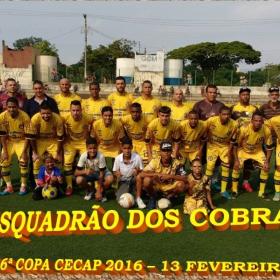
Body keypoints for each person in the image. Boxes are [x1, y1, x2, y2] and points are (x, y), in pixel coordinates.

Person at [232, 111, 273, 200]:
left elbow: (269, 148)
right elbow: (235, 146)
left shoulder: (266, 130)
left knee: (265, 168)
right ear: (251, 121)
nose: (258, 123)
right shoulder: (243, 129)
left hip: (257, 152)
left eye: (260, 121)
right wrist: (236, 160)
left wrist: (267, 162)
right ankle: (234, 190)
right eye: (256, 120)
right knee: (237, 166)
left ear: (262, 121)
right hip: (243, 151)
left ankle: (261, 192)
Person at [136, 141, 188, 209]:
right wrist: (156, 174)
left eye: (168, 150)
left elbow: (185, 178)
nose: (166, 152)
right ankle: (152, 197)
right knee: (146, 180)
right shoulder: (155, 161)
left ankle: (170, 196)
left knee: (181, 185)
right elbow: (141, 174)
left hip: (170, 185)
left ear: (171, 151)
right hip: (157, 184)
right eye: (164, 150)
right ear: (160, 151)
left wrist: (170, 176)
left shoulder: (176, 163)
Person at [193, 84, 224, 190]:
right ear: (206, 93)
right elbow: (194, 120)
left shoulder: (220, 105)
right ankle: (200, 179)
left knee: (215, 162)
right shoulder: (199, 105)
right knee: (201, 160)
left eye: (214, 92)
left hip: (216, 140)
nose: (212, 94)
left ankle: (214, 181)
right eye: (210, 92)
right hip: (202, 139)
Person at [205, 106, 238, 200]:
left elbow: (232, 140)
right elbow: (204, 129)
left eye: (228, 114)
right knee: (210, 166)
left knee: (226, 167)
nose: (226, 116)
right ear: (219, 114)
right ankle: (207, 188)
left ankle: (223, 191)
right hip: (212, 146)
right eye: (224, 114)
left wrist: (229, 151)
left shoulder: (234, 124)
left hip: (225, 147)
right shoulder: (211, 121)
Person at [62, 100, 94, 196]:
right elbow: (58, 124)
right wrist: (64, 134)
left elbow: (94, 122)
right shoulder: (65, 117)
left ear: (81, 110)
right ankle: (69, 185)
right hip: (70, 142)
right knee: (67, 162)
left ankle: (86, 182)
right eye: (73, 110)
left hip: (83, 142)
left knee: (88, 160)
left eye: (77, 110)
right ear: (70, 110)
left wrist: (90, 134)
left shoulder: (87, 117)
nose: (75, 113)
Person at [29, 101, 64, 188]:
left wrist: (59, 153)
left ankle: (58, 182)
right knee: (36, 160)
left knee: (58, 160)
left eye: (48, 113)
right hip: (40, 141)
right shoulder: (35, 119)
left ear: (51, 112)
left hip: (52, 141)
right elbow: (32, 137)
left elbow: (60, 138)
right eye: (43, 113)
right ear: (40, 112)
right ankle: (38, 184)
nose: (46, 115)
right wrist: (35, 152)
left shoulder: (57, 119)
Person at [0, 97, 30, 195]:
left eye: (14, 107)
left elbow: (28, 136)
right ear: (6, 107)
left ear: (18, 107)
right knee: (4, 162)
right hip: (9, 142)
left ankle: (23, 186)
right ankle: (9, 187)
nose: (11, 109)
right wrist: (4, 151)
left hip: (21, 142)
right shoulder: (2, 117)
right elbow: (2, 135)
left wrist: (25, 151)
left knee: (23, 162)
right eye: (9, 107)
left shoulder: (25, 117)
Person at [230, 87, 258, 192]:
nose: (245, 96)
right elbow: (229, 123)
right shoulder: (233, 108)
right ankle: (234, 184)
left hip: (250, 141)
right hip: (236, 140)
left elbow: (259, 122)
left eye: (247, 94)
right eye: (243, 94)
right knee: (236, 162)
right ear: (239, 96)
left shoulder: (254, 109)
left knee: (248, 163)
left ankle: (245, 183)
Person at [75, 137, 114, 202]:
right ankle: (91, 190)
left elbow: (101, 174)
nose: (92, 151)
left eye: (94, 148)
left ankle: (102, 191)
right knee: (78, 180)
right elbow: (76, 172)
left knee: (110, 179)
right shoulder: (83, 156)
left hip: (102, 173)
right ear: (87, 148)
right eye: (90, 148)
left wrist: (99, 190)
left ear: (97, 147)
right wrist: (85, 171)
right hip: (92, 173)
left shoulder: (101, 155)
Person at [113, 138, 144, 207]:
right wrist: (116, 173)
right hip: (123, 180)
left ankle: (138, 197)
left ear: (132, 147)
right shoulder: (118, 159)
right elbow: (114, 172)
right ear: (121, 148)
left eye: (129, 148)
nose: (127, 151)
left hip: (134, 179)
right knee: (119, 200)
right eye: (125, 148)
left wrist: (138, 171)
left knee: (139, 177)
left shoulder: (138, 158)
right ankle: (123, 190)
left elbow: (143, 171)